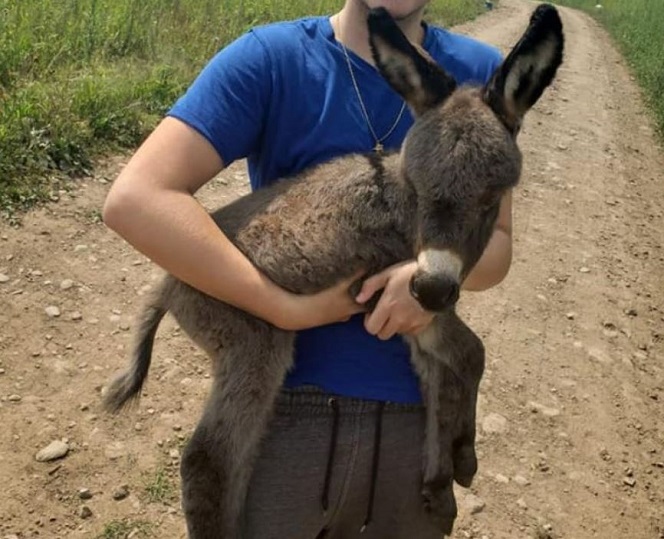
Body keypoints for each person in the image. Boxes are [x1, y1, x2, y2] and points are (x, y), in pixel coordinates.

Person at [102, 0, 513, 537]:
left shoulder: (481, 74)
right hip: (288, 418)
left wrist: (428, 282)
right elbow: (134, 199)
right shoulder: (272, 59)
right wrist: (282, 309)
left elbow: (496, 240)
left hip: (410, 426)